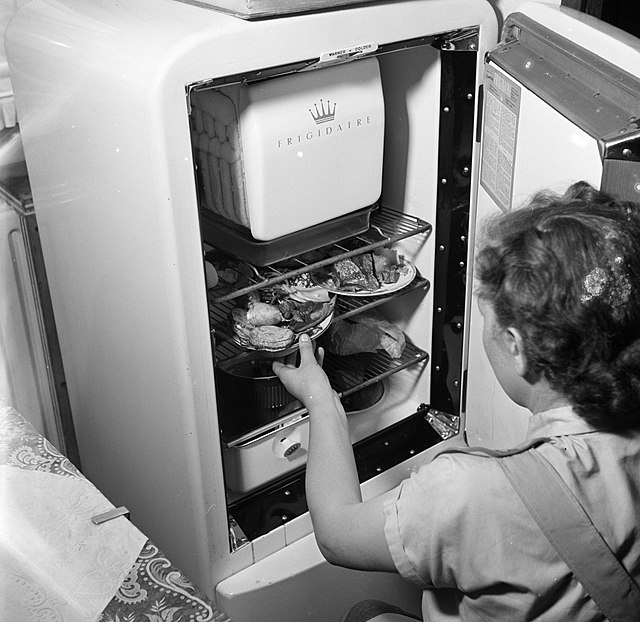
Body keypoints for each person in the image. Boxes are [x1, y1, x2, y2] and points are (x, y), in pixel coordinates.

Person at [272, 181, 640, 621]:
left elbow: (335, 535)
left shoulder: (469, 492)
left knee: (366, 614)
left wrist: (322, 399)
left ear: (515, 345)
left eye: (485, 319)